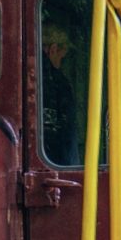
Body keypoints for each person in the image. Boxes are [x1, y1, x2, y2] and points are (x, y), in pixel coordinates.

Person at [42, 23, 78, 165]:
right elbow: (64, 133)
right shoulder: (57, 83)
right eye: (62, 58)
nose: (62, 64)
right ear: (53, 49)